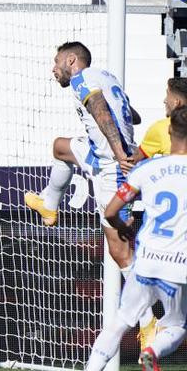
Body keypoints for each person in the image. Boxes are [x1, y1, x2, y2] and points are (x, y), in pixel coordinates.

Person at [23, 41, 157, 346]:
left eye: (56, 62)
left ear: (71, 60)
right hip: (99, 153)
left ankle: (150, 322)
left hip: (111, 165)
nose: (53, 69)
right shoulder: (106, 77)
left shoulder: (83, 80)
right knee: (60, 147)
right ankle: (49, 204)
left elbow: (100, 111)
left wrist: (118, 150)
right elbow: (130, 115)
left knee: (120, 252)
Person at [85, 105, 187, 371]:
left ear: (169, 131)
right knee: (176, 325)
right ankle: (152, 350)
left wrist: (123, 224)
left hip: (146, 261)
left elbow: (110, 211)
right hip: (177, 265)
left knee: (120, 322)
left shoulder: (149, 168)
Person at [132, 77, 187, 163]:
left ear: (177, 102)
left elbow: (133, 162)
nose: (164, 100)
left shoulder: (160, 128)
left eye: (167, 95)